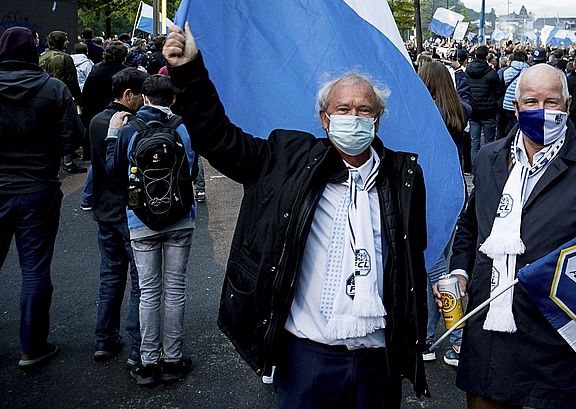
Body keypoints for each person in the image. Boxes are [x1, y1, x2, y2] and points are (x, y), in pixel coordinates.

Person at [162, 22, 428, 407]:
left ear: (377, 120)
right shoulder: (286, 158)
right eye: (343, 109)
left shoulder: (403, 177)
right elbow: (218, 139)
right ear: (324, 118)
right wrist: (189, 72)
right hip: (308, 358)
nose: (353, 117)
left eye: (363, 110)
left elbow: (409, 256)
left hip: (377, 361)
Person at [445, 64, 576, 409]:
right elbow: (470, 224)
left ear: (568, 106)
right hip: (488, 338)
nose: (541, 111)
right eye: (531, 102)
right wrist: (460, 272)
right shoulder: (488, 158)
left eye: (551, 102)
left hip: (555, 347)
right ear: (516, 108)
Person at [0, 26, 85, 368]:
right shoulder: (54, 89)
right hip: (38, 187)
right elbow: (72, 139)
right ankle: (31, 346)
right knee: (34, 268)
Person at [106, 75, 199, 386]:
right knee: (174, 290)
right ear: (171, 100)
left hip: (140, 219)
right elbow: (192, 169)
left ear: (144, 98)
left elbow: (114, 171)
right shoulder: (182, 128)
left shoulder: (129, 130)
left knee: (148, 292)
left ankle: (147, 362)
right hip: (180, 218)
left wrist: (111, 137)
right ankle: (173, 359)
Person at [89, 67, 146, 365]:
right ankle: (137, 345)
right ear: (128, 95)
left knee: (110, 275)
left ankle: (104, 338)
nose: (142, 100)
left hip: (104, 210)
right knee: (139, 280)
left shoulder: (97, 122)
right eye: (139, 95)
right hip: (127, 209)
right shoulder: (130, 126)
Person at [416, 61, 468, 366]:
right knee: (438, 271)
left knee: (439, 276)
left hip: (428, 199)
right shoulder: (456, 111)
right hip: (453, 193)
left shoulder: (423, 116)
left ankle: (459, 340)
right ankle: (426, 339)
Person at [38, 30, 83, 173]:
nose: (68, 42)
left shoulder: (42, 57)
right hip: (63, 96)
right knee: (66, 126)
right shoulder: (64, 58)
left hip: (44, 96)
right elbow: (72, 81)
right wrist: (79, 98)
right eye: (65, 39)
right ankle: (68, 162)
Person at [465, 45, 501, 166]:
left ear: (475, 56)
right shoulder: (491, 73)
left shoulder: (467, 72)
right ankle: (487, 168)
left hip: (473, 110)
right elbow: (499, 91)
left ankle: (475, 168)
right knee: (489, 142)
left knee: (474, 142)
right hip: (488, 111)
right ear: (487, 57)